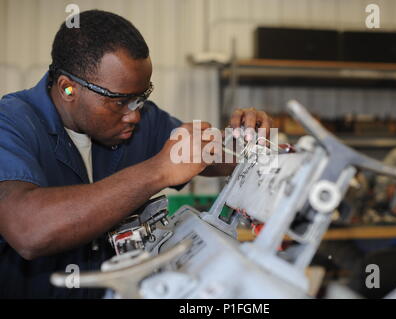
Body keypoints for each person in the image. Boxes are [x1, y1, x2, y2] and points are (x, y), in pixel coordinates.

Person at [0, 10, 272, 298]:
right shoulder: (13, 125)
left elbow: (204, 154)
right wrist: (157, 171)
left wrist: (246, 143)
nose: (135, 116)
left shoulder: (142, 122)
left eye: (141, 97)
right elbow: (28, 230)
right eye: (120, 101)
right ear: (68, 87)